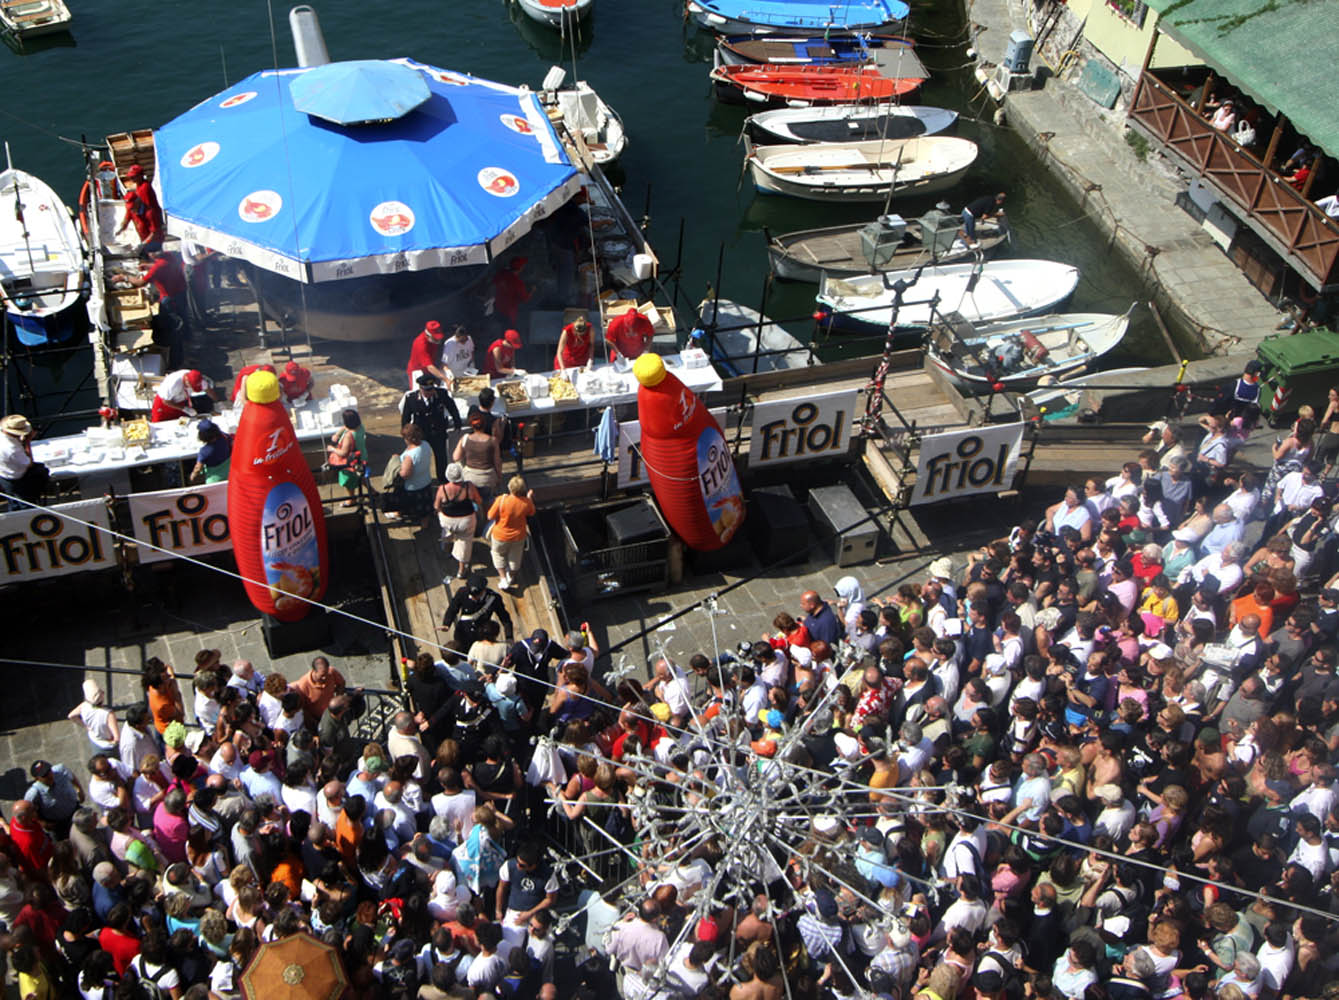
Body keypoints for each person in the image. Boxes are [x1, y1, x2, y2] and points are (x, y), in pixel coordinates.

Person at [400, 372, 461, 479]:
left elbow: (452, 407)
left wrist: (457, 422)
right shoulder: (411, 399)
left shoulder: (441, 394)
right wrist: (406, 434)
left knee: (441, 457)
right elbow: (406, 418)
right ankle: (423, 478)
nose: (430, 393)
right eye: (427, 391)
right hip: (421, 434)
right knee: (421, 457)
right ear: (421, 389)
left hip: (438, 432)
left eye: (431, 389)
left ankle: (442, 479)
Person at [440, 572, 514, 650]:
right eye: (472, 595)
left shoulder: (493, 598)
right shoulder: (462, 592)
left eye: (476, 596)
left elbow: (505, 618)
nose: (473, 598)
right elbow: (453, 608)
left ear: (483, 590)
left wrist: (509, 637)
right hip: (463, 632)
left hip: (481, 636)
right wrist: (446, 623)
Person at [487, 475, 536, 591]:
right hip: (518, 537)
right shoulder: (526, 503)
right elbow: (532, 512)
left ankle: (503, 578)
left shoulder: (501, 500)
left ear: (510, 488)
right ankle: (511, 576)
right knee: (515, 559)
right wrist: (529, 498)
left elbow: (490, 516)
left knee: (498, 554)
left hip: (500, 535)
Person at [435, 463, 483, 581]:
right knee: (465, 543)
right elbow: (479, 500)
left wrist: (441, 513)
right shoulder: (469, 487)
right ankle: (461, 571)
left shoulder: (442, 489)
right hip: (466, 520)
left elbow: (436, 506)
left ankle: (447, 550)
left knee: (447, 534)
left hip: (448, 520)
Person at [384, 422, 434, 524]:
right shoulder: (426, 444)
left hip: (413, 487)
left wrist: (397, 466)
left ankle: (400, 513)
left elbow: (405, 474)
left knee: (412, 506)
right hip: (426, 482)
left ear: (408, 438)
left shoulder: (410, 455)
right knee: (425, 510)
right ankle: (426, 523)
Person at [452, 411, 502, 511]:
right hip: (487, 478)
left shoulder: (465, 438)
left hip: (470, 477)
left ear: (471, 426)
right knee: (488, 503)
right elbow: (497, 462)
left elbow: (455, 457)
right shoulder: (493, 440)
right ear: (484, 425)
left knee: (473, 503)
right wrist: (499, 477)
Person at [0, 413, 49, 508]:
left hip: (4, 474)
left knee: (14, 503)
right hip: (17, 479)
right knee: (25, 507)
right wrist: (27, 442)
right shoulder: (12, 449)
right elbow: (29, 463)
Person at [115, 163, 164, 248]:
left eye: (134, 177)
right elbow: (128, 215)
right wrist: (121, 228)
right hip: (143, 236)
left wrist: (144, 244)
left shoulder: (145, 189)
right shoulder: (136, 192)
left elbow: (155, 231)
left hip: (153, 241)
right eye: (130, 177)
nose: (131, 179)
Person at [326, 408, 367, 507]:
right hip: (363, 457)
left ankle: (352, 499)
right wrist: (337, 434)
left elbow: (344, 453)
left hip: (351, 463)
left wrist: (332, 449)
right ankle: (372, 491)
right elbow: (345, 427)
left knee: (349, 481)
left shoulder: (349, 436)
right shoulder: (360, 427)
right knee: (361, 476)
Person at [150, 369, 218, 423]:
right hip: (164, 405)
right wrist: (185, 409)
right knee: (159, 423)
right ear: (186, 381)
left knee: (181, 422)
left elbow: (209, 391)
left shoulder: (197, 379)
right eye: (192, 387)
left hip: (180, 401)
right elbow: (166, 401)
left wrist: (218, 403)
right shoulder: (173, 384)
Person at [406, 320, 450, 389]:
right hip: (417, 370)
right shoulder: (420, 344)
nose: (437, 341)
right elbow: (429, 367)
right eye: (435, 338)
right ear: (428, 335)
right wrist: (445, 379)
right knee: (419, 392)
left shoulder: (433, 340)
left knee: (432, 390)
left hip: (429, 369)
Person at [189, 419, 231, 484]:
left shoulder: (204, 452)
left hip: (215, 481)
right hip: (230, 473)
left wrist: (192, 477)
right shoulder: (225, 437)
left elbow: (197, 469)